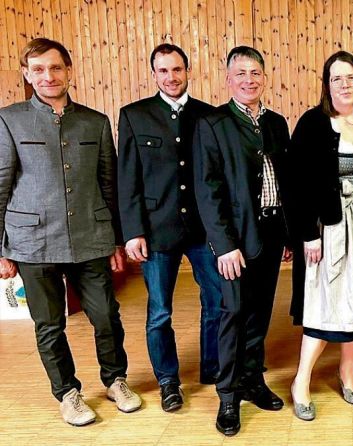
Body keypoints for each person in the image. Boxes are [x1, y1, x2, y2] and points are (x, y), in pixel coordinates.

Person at [0, 38, 141, 426]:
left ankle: (115, 380)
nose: (48, 76)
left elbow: (108, 183)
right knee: (49, 326)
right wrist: (1, 249)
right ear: (27, 75)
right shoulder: (9, 120)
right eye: (38, 69)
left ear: (68, 71)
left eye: (55, 67)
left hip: (89, 238)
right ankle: (67, 393)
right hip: (33, 242)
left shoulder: (95, 122)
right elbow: (1, 184)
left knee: (106, 316)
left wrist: (116, 239)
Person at [193, 46, 293, 436]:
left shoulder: (276, 123)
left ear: (264, 78)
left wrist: (287, 234)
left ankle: (253, 380)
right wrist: (223, 245)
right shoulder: (213, 123)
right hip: (235, 240)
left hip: (270, 233)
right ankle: (228, 395)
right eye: (240, 74)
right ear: (228, 80)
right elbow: (208, 190)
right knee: (233, 313)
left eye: (255, 73)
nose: (248, 80)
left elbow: (284, 182)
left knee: (259, 313)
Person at [117, 43, 221, 412]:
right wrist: (132, 232)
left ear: (187, 71)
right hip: (156, 230)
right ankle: (168, 380)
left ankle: (213, 368)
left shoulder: (209, 115)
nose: (171, 77)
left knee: (217, 301)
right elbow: (127, 179)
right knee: (160, 311)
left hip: (202, 230)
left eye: (177, 69)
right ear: (154, 74)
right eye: (163, 70)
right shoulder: (134, 115)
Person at [288, 51, 353, 421]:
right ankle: (301, 379)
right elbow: (296, 184)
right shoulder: (313, 123)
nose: (344, 85)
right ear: (327, 86)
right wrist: (308, 234)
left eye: (351, 77)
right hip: (330, 226)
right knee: (325, 302)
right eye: (336, 79)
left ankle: (347, 371)